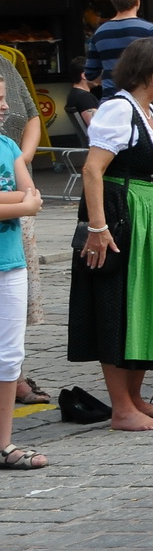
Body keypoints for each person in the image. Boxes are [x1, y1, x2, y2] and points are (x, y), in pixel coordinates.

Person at [70, 38, 153, 432]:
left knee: (146, 301)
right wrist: (98, 227)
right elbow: (93, 170)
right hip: (123, 212)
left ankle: (136, 397)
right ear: (145, 73)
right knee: (118, 302)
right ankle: (120, 407)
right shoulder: (118, 109)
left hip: (150, 213)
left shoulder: (150, 110)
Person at [0, 90, 43, 467]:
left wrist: (18, 201)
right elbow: (26, 200)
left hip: (10, 262)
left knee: (10, 356)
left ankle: (4, 443)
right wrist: (20, 202)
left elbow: (33, 196)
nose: (5, 106)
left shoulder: (7, 143)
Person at [83, 0, 153, 98]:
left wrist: (111, 81)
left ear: (113, 2)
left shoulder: (100, 32)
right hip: (140, 100)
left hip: (110, 100)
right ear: (138, 1)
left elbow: (90, 73)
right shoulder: (150, 30)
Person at [65, 66, 100, 132]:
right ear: (84, 75)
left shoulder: (73, 95)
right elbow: (96, 127)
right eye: (95, 73)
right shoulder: (85, 97)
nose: (98, 77)